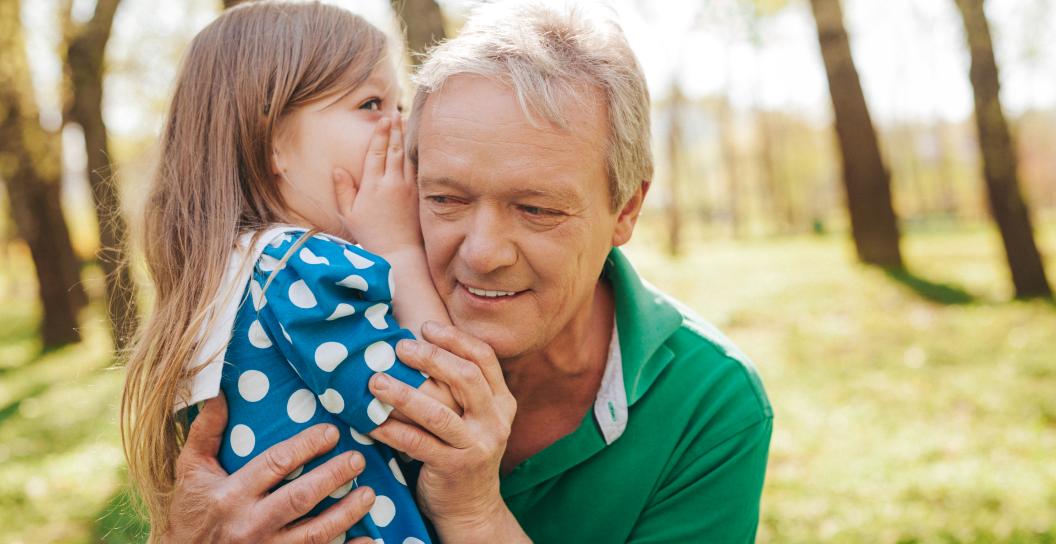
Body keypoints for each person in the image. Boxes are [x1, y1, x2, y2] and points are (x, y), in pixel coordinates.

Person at [159, 1, 774, 543]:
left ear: (626, 210)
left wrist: (475, 512)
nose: (482, 253)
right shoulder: (316, 304)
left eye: (536, 209)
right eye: (445, 199)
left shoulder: (711, 405)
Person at [120, 2, 461, 542]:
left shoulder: (234, 272)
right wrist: (398, 246)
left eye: (401, 104)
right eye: (372, 104)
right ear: (273, 141)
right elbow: (440, 414)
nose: (403, 130)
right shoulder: (304, 268)